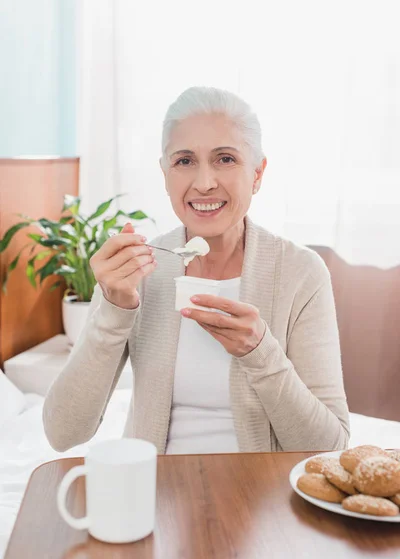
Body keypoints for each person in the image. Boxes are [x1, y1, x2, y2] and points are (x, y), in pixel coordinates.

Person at [43, 86, 350, 454]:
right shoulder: (138, 271)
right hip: (157, 492)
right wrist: (114, 307)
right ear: (165, 173)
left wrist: (261, 353)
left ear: (257, 173)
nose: (204, 183)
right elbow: (63, 434)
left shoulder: (301, 273)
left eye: (225, 159)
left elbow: (330, 449)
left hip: (265, 497)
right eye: (185, 161)